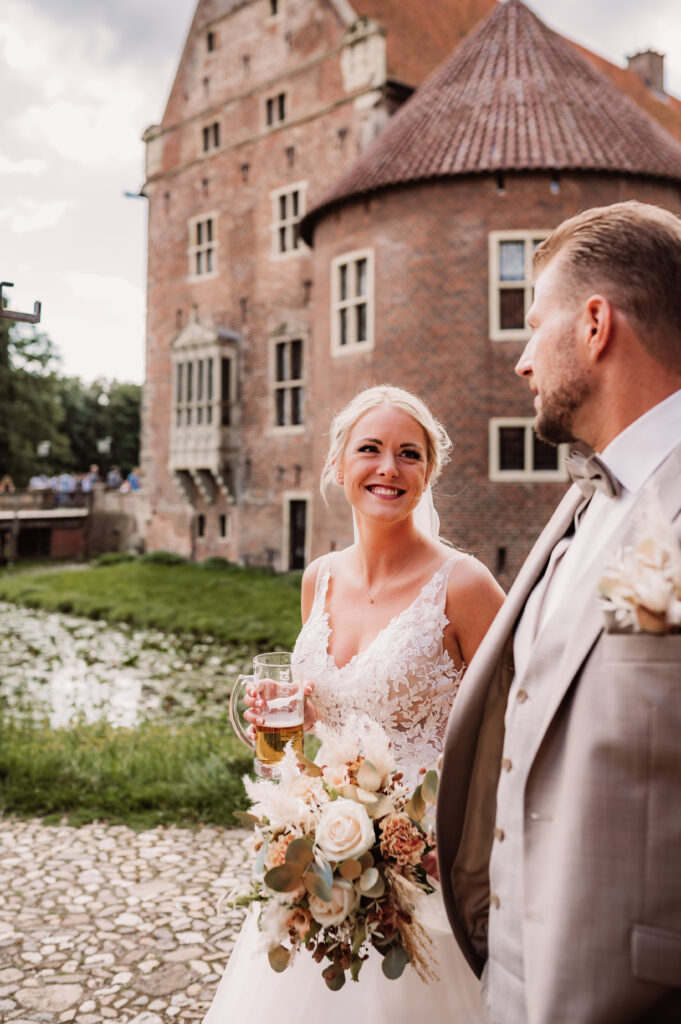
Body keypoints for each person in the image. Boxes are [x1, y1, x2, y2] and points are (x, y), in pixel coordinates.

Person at [437, 200, 681, 1024]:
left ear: (593, 324)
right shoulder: (579, 503)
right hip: (509, 981)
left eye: (531, 324)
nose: (519, 362)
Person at [202, 385, 504, 1022]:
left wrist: (455, 839)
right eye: (370, 449)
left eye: (409, 454)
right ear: (339, 466)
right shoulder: (320, 578)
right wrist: (294, 713)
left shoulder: (467, 585)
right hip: (325, 863)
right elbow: (333, 713)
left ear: (428, 473)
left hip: (428, 869)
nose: (388, 468)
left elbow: (519, 730)